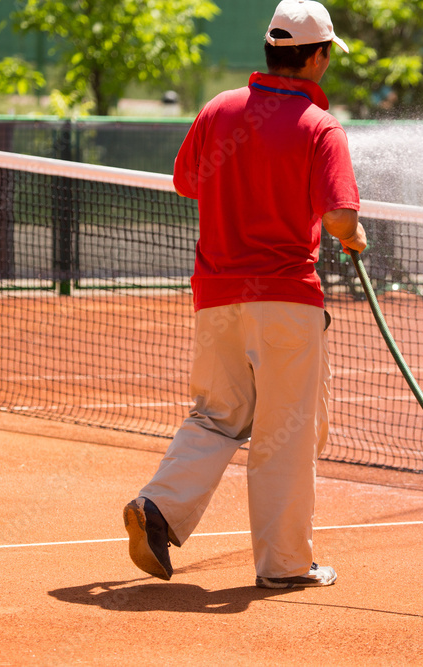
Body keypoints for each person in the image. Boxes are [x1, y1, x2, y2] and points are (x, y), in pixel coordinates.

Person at [124, 0, 366, 589]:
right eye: (328, 51)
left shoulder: (219, 109)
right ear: (313, 55)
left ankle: (158, 507)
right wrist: (356, 234)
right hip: (285, 299)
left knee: (215, 417)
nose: (329, 61)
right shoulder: (320, 126)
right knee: (287, 431)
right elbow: (338, 217)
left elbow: (186, 181)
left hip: (217, 297)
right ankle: (285, 566)